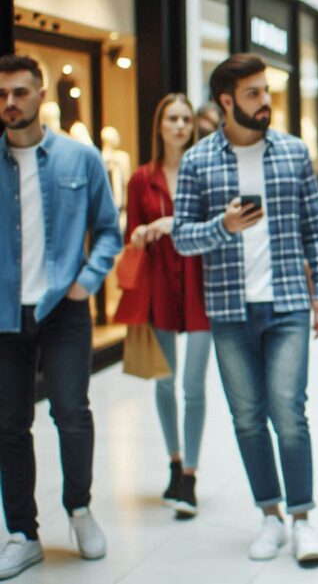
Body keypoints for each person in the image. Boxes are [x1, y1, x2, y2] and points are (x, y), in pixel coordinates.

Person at [172, 53, 318, 565]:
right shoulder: (198, 161)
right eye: (253, 94)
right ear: (226, 101)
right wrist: (223, 226)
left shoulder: (292, 153)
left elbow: (316, 228)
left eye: (266, 91)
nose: (265, 102)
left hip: (287, 303)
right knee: (247, 418)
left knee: (289, 413)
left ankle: (303, 517)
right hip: (229, 310)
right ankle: (270, 515)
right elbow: (180, 237)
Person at [0, 54, 121, 579]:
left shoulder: (80, 158)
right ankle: (22, 533)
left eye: (20, 93)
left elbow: (109, 230)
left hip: (65, 310)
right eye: (3, 94)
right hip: (5, 312)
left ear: (41, 94)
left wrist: (86, 282)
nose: (10, 103)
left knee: (72, 413)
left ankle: (79, 509)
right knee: (9, 425)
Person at [113, 93, 212, 518]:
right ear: (159, 125)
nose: (179, 126)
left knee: (194, 385)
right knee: (164, 382)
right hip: (158, 284)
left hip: (200, 283)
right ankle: (174, 462)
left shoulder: (203, 173)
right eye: (172, 118)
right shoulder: (140, 179)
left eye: (185, 119)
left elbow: (213, 228)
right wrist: (140, 233)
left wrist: (174, 224)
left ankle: (191, 472)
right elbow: (130, 231)